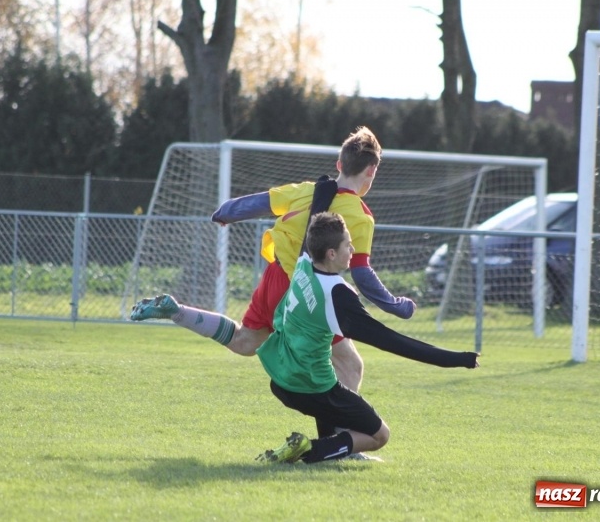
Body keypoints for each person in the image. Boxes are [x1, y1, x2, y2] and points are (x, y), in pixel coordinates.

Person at [130, 127, 415, 395]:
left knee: (244, 341)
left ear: (339, 164)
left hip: (274, 277)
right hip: (306, 292)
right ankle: (340, 432)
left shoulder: (305, 190)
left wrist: (226, 212)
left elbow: (258, 203)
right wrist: (396, 305)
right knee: (350, 366)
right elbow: (362, 274)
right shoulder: (361, 216)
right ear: (371, 170)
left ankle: (177, 311)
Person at [254, 212, 480, 464]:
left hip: (281, 378)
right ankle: (309, 450)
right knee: (379, 435)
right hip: (310, 386)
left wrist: (324, 197)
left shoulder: (304, 263)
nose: (352, 249)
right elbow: (391, 341)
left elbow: (314, 219)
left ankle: (326, 452)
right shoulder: (336, 294)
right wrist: (457, 359)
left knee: (332, 383)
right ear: (331, 253)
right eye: (347, 244)